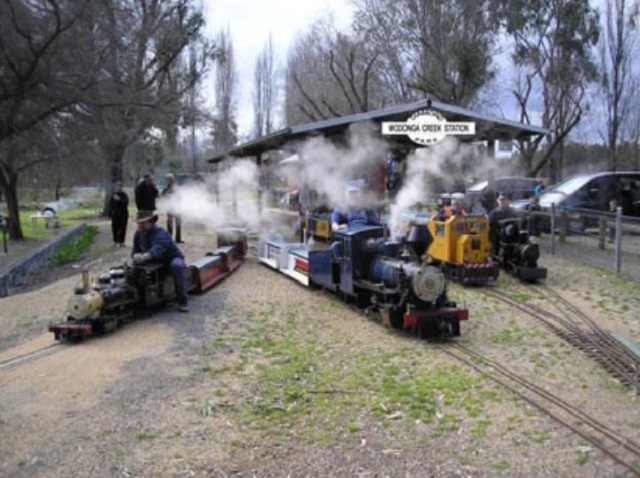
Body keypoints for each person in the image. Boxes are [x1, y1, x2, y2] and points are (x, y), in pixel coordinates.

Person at [131, 210, 189, 312]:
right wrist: (135, 256)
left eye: (143, 223)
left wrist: (145, 256)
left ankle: (182, 301)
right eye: (139, 223)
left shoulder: (162, 234)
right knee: (134, 268)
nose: (140, 226)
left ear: (151, 222)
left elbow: (157, 250)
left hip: (170, 259)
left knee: (177, 267)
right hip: (153, 261)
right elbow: (135, 251)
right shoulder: (138, 234)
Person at [161, 173, 183, 243]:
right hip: (169, 208)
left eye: (171, 179)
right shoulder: (165, 189)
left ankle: (178, 239)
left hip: (177, 208)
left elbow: (181, 197)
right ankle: (169, 238)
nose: (170, 181)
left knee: (178, 223)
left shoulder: (177, 188)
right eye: (169, 179)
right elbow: (162, 198)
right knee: (169, 223)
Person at [108, 182, 129, 247]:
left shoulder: (124, 195)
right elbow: (110, 205)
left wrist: (119, 200)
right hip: (115, 214)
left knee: (122, 227)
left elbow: (126, 203)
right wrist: (110, 213)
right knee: (115, 228)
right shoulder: (113, 195)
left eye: (120, 186)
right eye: (117, 186)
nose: (118, 188)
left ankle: (122, 241)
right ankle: (115, 241)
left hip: (123, 214)